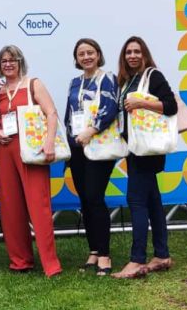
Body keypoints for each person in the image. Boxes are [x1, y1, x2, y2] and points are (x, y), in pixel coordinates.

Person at [0, 45, 62, 277]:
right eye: (3, 61)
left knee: (39, 206)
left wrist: (50, 141)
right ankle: (20, 261)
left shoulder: (34, 83)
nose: (8, 64)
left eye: (12, 60)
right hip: (5, 151)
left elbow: (51, 113)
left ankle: (50, 264)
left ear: (20, 61)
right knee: (10, 207)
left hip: (33, 150)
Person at [112, 36, 177, 279]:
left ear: (144, 54)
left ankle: (137, 260)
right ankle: (162, 254)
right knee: (152, 202)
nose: (132, 55)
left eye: (137, 51)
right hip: (135, 148)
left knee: (136, 200)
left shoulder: (153, 76)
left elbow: (171, 106)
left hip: (148, 150)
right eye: (128, 52)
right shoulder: (127, 81)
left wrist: (141, 102)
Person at [63, 38, 119, 276]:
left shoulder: (108, 78)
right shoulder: (74, 82)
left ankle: (105, 255)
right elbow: (70, 113)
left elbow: (110, 107)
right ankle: (93, 250)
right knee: (85, 199)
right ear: (76, 58)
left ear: (98, 54)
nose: (86, 57)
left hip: (98, 146)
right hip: (77, 148)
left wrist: (90, 131)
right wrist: (68, 144)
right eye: (81, 54)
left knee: (95, 197)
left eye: (90, 52)